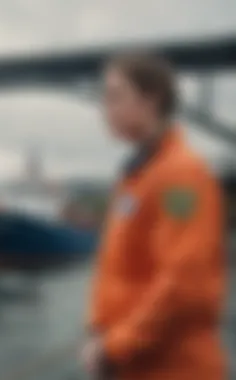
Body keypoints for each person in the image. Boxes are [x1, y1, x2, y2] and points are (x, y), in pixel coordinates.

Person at [82, 53, 226, 380]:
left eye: (115, 95)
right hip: (133, 364)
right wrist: (97, 329)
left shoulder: (181, 176)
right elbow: (117, 268)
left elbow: (184, 284)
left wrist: (113, 346)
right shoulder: (136, 176)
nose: (104, 107)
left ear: (151, 100)